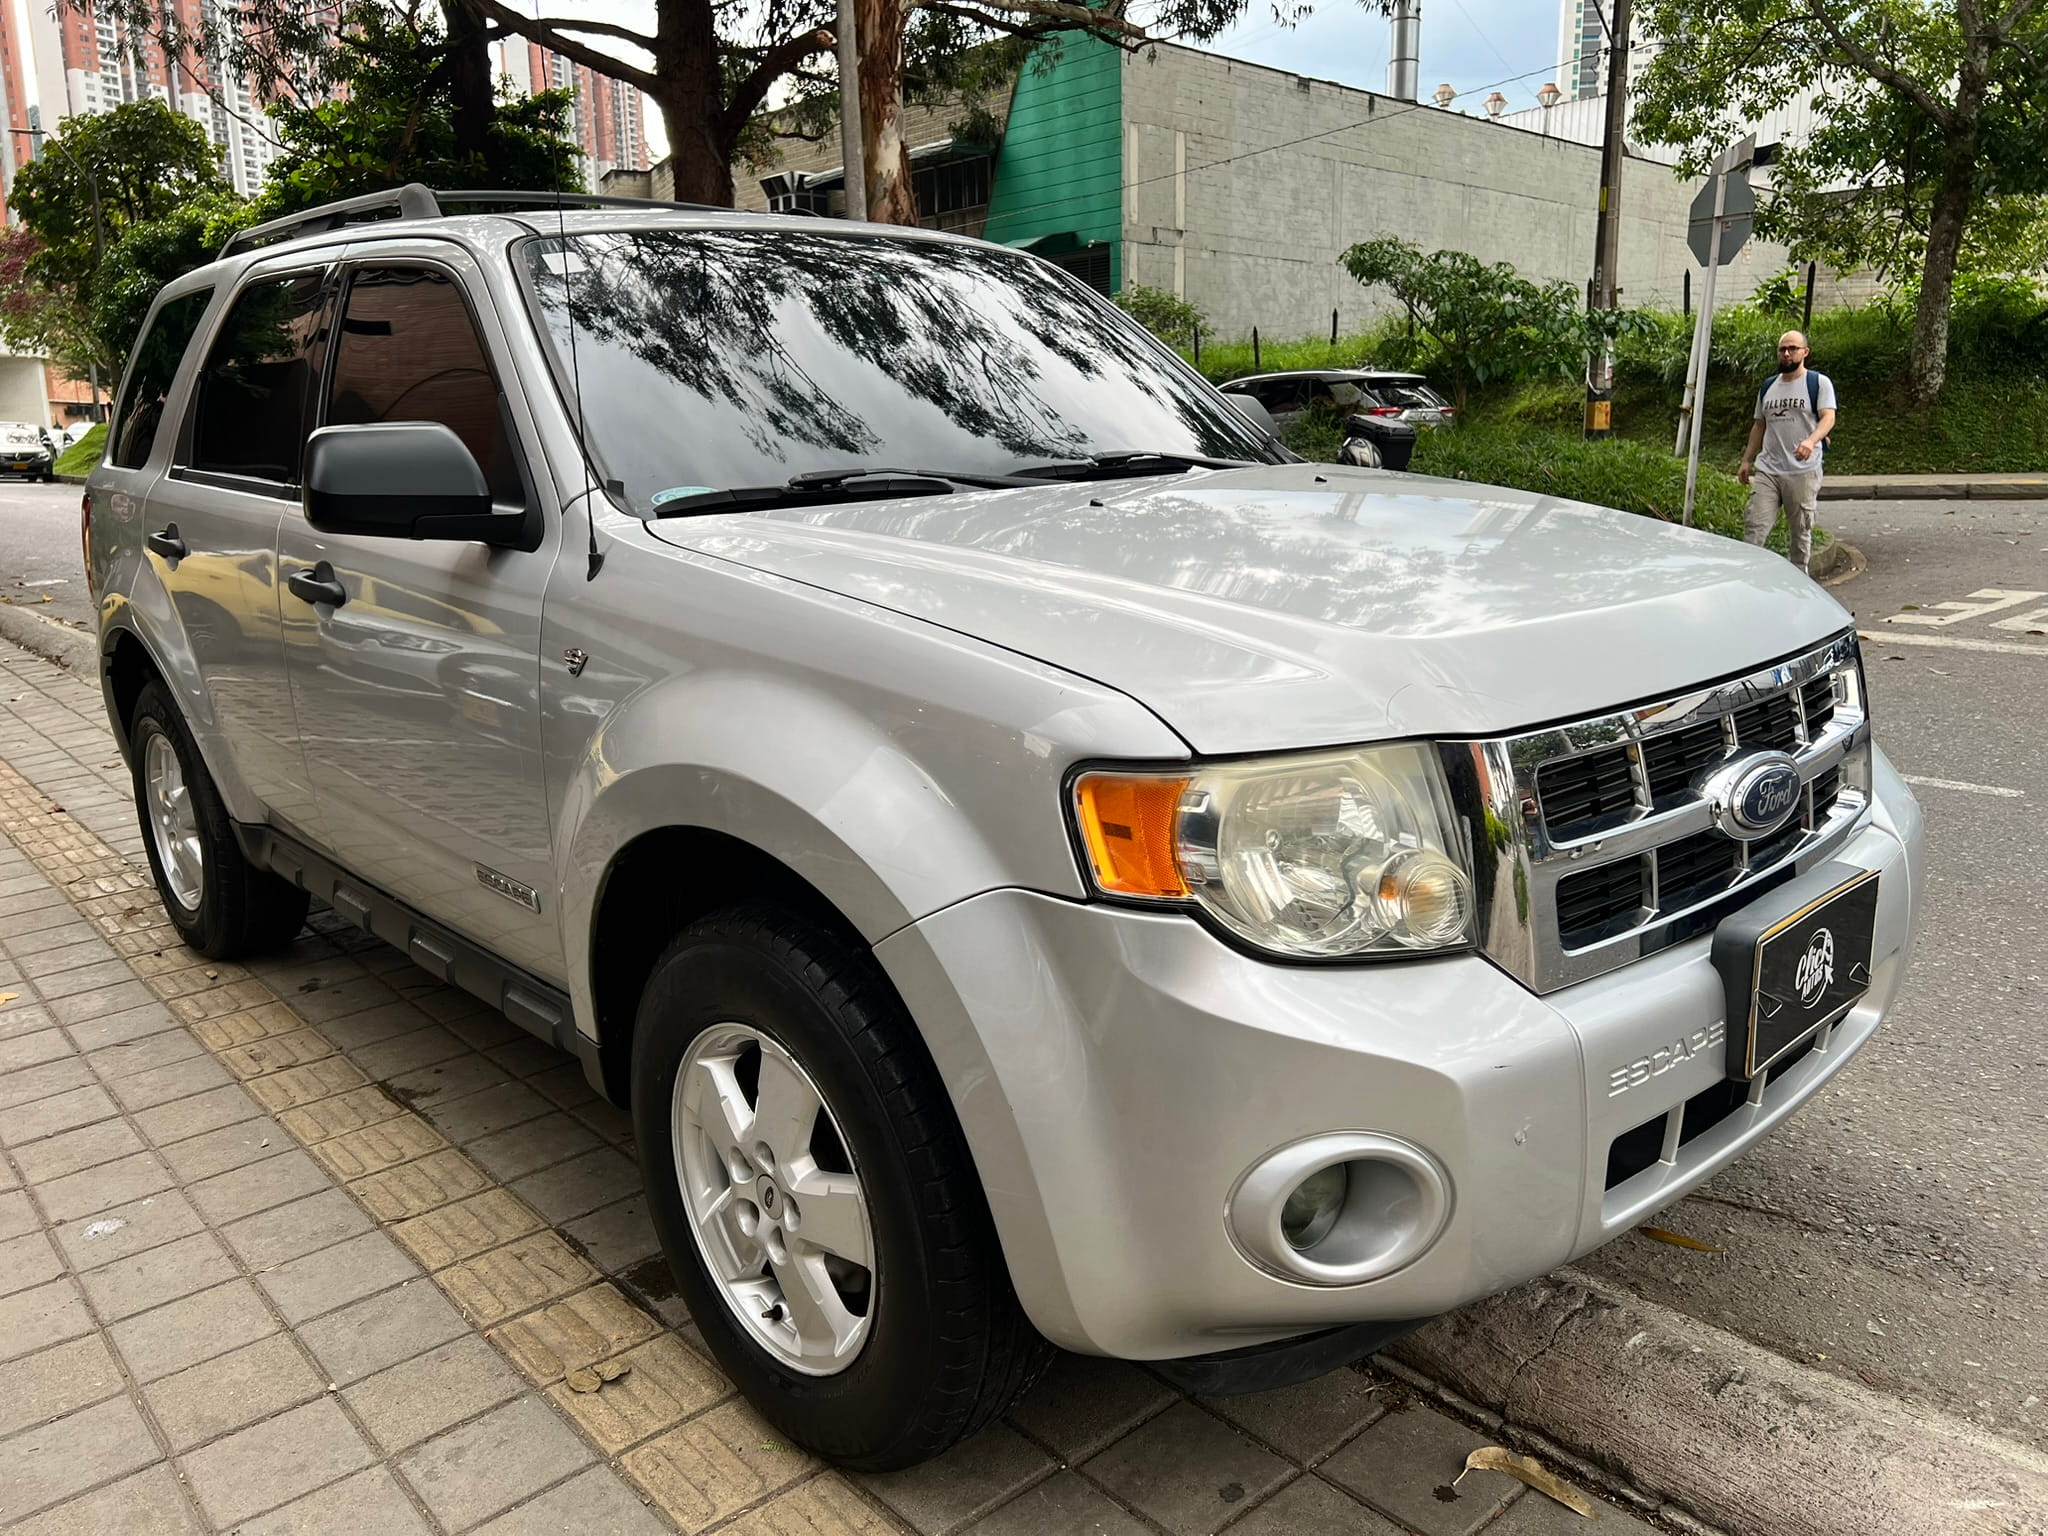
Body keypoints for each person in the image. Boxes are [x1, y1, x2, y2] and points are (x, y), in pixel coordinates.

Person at [1738, 331, 1837, 575]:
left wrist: (1811, 441)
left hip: (1803, 471)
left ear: (1805, 352)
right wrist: (1746, 460)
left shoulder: (1818, 383)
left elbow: (1828, 417)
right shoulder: (1768, 386)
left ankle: (1799, 578)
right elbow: (1759, 425)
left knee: (1800, 531)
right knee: (1754, 525)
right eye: (1782, 349)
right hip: (1769, 470)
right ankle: (1747, 577)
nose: (1786, 353)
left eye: (1792, 348)